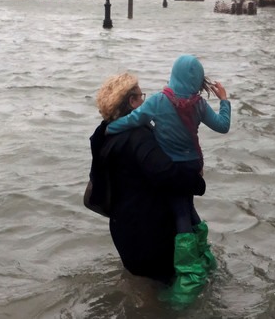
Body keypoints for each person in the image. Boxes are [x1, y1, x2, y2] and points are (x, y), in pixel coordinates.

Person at [105, 54, 230, 304]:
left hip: (173, 169)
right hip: (193, 166)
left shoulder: (159, 101)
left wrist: (109, 128)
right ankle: (205, 256)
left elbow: (134, 119)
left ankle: (188, 274)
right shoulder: (199, 105)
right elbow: (222, 126)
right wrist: (224, 101)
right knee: (189, 208)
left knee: (181, 212)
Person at [86, 72, 206, 284]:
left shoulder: (103, 133)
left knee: (141, 290)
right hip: (151, 235)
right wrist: (198, 181)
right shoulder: (138, 137)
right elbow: (166, 174)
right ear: (132, 102)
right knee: (166, 294)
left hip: (123, 230)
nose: (144, 100)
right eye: (141, 96)